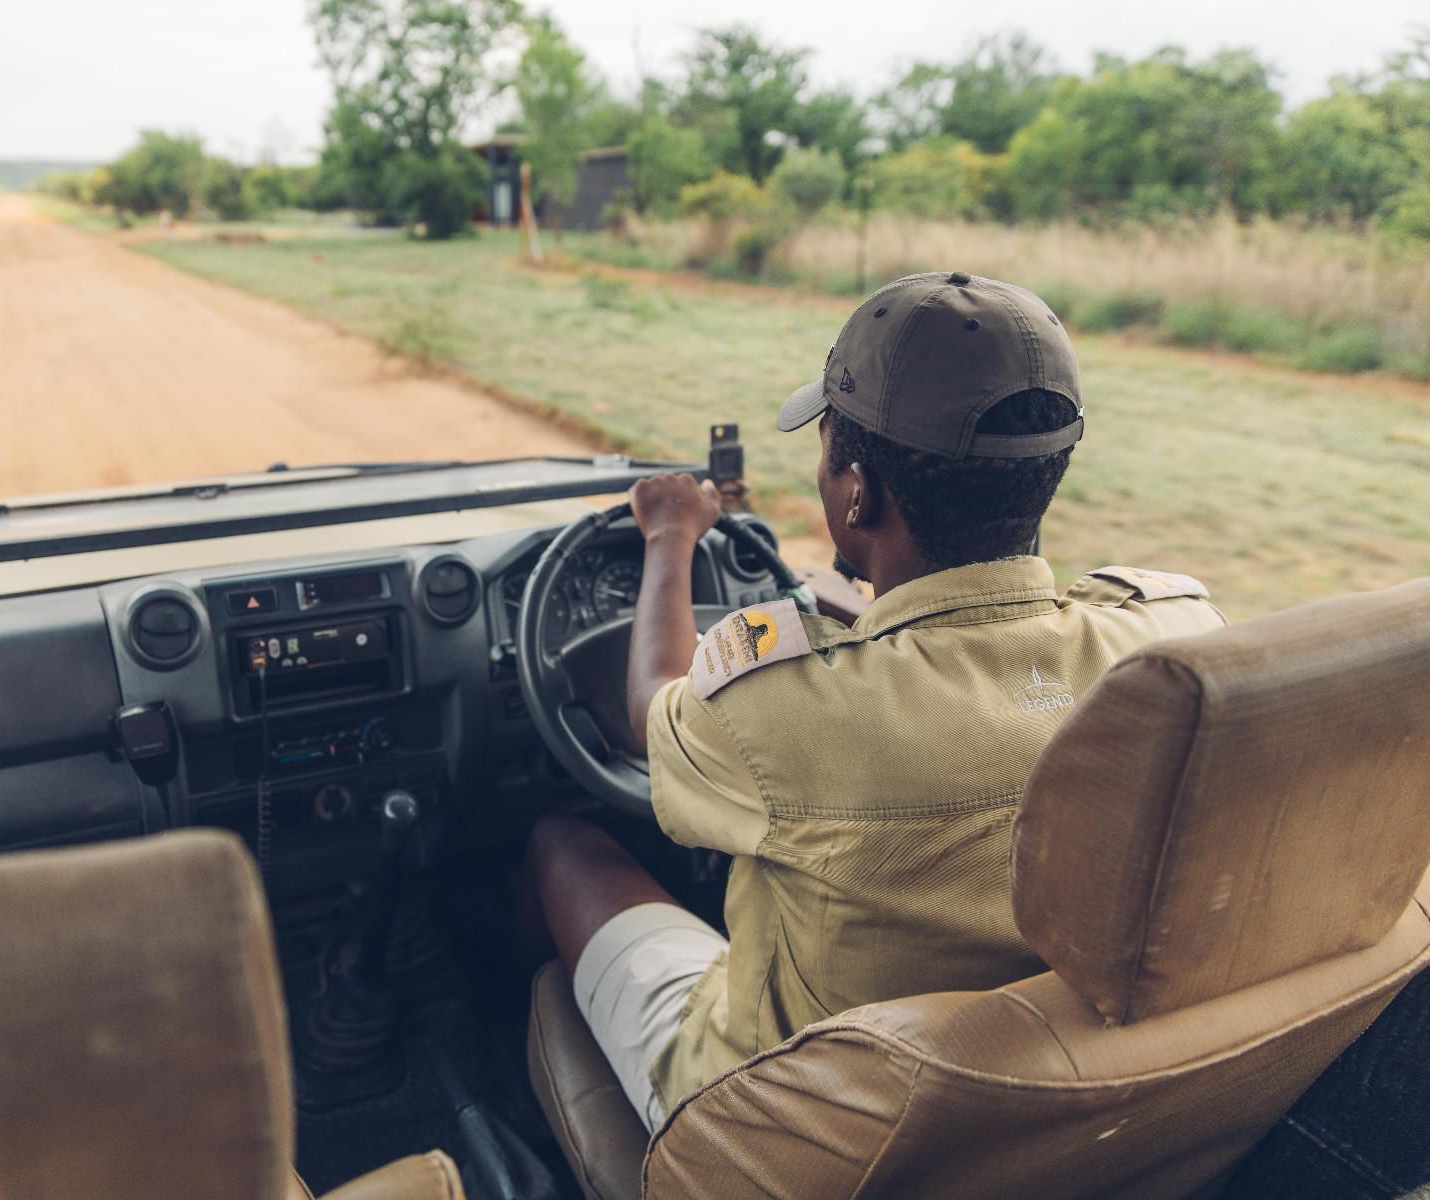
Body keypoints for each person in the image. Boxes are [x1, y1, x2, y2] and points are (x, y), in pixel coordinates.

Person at [525, 271, 1227, 1132]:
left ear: (856, 492)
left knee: (561, 843)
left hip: (780, 1121)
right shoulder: (1176, 644)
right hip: (1063, 1101)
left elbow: (654, 707)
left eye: (826, 455)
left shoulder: (781, 711)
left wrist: (671, 538)